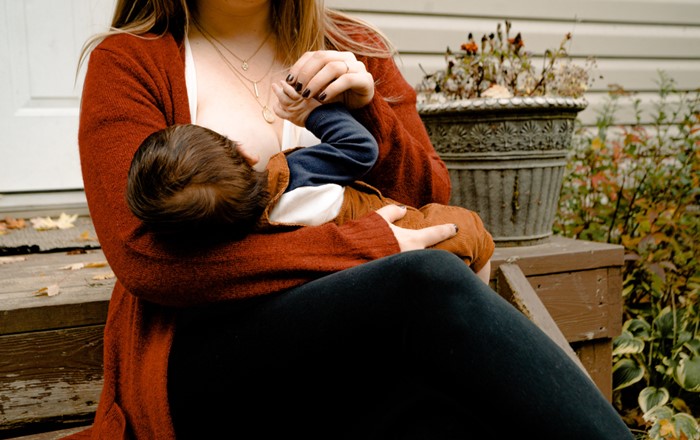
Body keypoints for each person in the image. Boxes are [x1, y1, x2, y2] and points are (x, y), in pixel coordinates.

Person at [69, 0, 635, 439]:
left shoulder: (353, 48)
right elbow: (145, 257)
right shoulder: (131, 61)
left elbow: (429, 194)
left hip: (355, 348)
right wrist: (368, 245)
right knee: (426, 281)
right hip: (208, 356)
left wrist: (369, 110)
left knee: (442, 423)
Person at [125, 91, 494, 281]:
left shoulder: (239, 238)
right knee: (474, 234)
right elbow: (359, 149)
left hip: (370, 275)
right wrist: (313, 112)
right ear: (245, 153)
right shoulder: (293, 174)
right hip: (414, 232)